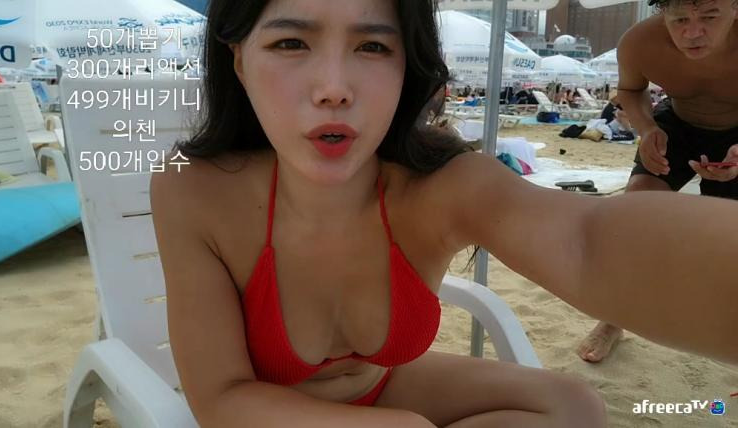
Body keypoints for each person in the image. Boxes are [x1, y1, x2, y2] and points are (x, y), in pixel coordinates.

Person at [150, 0, 738, 426]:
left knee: (572, 406)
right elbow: (220, 399)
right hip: (263, 412)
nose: (333, 88)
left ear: (407, 66)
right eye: (290, 43)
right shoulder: (196, 189)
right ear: (238, 59)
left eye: (373, 46)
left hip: (382, 390)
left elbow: (586, 241)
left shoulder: (437, 183)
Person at [577, 0, 738, 363]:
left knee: (728, 239)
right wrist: (646, 128)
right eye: (679, 19)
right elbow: (631, 90)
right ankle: (614, 319)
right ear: (662, 12)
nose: (692, 32)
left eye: (709, 17)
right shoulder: (639, 42)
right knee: (636, 217)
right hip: (676, 125)